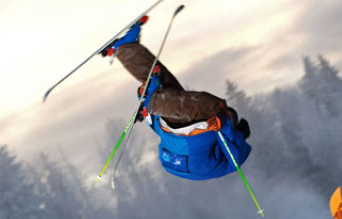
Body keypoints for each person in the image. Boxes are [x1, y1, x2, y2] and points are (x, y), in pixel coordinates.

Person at [102, 16, 252, 181]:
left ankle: (153, 97)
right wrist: (149, 116)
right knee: (170, 93)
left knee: (214, 106)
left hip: (190, 147)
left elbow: (236, 159)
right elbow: (163, 134)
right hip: (174, 148)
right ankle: (125, 49)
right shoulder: (212, 148)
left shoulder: (235, 145)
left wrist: (224, 124)